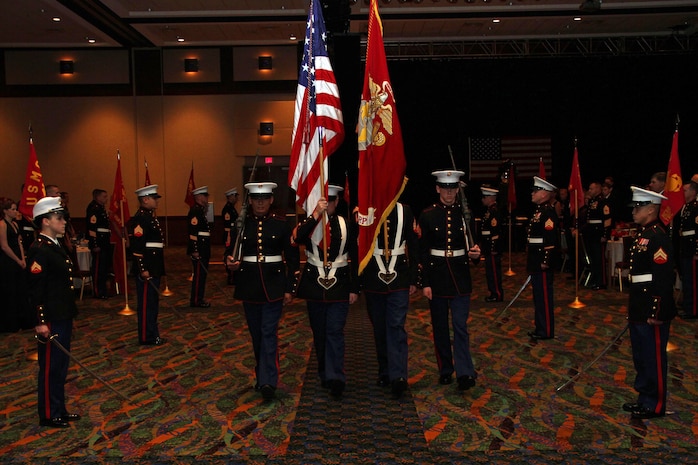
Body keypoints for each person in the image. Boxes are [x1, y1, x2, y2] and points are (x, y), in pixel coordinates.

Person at [225, 181, 299, 400]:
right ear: (250, 201)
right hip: (249, 285)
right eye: (256, 199)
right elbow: (230, 252)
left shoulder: (282, 224)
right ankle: (262, 374)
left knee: (268, 332)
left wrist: (290, 288)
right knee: (257, 335)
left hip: (274, 285)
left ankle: (268, 380)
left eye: (264, 199)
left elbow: (293, 260)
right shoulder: (241, 224)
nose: (260, 203)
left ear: (271, 200)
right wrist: (229, 261)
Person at [294, 185, 359, 398]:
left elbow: (356, 257)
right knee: (320, 333)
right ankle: (324, 371)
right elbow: (298, 238)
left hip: (339, 284)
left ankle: (336, 377)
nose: (328, 204)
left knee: (334, 331)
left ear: (337, 201)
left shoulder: (347, 225)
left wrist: (354, 287)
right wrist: (315, 216)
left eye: (331, 201)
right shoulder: (310, 224)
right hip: (314, 285)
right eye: (325, 200)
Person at [419, 170, 481, 391]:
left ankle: (465, 371)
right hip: (436, 278)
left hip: (460, 277)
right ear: (437, 189)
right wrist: (424, 282)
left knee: (460, 327)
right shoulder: (427, 215)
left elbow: (474, 246)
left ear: (458, 189)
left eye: (452, 188)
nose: (448, 193)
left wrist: (476, 254)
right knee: (440, 328)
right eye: (445, 188)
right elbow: (423, 252)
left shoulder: (466, 214)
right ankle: (446, 369)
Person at [622, 186, 676, 419]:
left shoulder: (658, 236)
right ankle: (644, 397)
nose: (634, 211)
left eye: (638, 207)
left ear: (652, 209)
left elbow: (663, 278)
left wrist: (657, 309)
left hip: (652, 307)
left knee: (653, 356)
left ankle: (655, 404)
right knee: (641, 355)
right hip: (639, 304)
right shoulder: (643, 233)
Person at [27, 196, 80, 428]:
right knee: (50, 367)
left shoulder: (54, 246)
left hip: (62, 315)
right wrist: (40, 322)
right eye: (59, 218)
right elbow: (35, 290)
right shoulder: (39, 250)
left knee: (60, 365)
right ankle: (49, 413)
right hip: (50, 318)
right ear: (45, 221)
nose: (64, 222)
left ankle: (59, 407)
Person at [362, 201, 418, 399]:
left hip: (399, 276)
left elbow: (413, 242)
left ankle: (398, 376)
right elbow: (356, 245)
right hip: (372, 277)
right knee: (380, 327)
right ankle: (385, 370)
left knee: (396, 325)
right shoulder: (363, 207)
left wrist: (414, 277)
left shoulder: (405, 210)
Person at [127, 185, 166, 346]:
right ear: (145, 199)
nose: (156, 201)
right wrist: (143, 268)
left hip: (154, 265)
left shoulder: (150, 217)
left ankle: (152, 333)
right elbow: (137, 248)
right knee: (146, 304)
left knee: (152, 303)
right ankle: (146, 336)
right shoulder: (140, 219)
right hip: (147, 267)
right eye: (154, 198)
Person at [526, 176, 559, 341]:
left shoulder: (547, 213)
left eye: (536, 190)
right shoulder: (539, 211)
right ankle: (540, 327)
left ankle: (545, 330)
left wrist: (546, 260)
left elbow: (550, 240)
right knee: (538, 296)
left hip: (542, 262)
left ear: (545, 193)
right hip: (535, 260)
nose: (532, 193)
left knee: (544, 297)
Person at [0, 198, 30, 332]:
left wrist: (23, 259)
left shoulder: (15, 224)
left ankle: (22, 321)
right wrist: (17, 260)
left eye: (15, 208)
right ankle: (10, 323)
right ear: (5, 211)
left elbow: (19, 243)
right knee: (10, 291)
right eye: (12, 209)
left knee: (21, 290)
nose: (15, 211)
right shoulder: (2, 224)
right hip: (7, 261)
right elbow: (4, 246)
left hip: (18, 259)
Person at [582, 181, 612, 290]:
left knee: (599, 259)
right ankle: (594, 279)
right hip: (591, 233)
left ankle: (601, 281)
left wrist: (604, 234)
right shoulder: (592, 201)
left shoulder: (603, 202)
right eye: (589, 189)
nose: (589, 191)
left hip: (598, 233)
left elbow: (607, 220)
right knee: (593, 258)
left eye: (591, 189)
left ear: (598, 189)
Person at [188, 186, 211, 307]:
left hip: (203, 248)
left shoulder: (200, 210)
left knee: (202, 275)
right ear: (199, 197)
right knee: (198, 276)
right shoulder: (195, 211)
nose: (207, 198)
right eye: (205, 196)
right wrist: (195, 249)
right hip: (199, 249)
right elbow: (193, 233)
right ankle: (196, 300)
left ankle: (199, 298)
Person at [86, 189, 112, 299]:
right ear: (97, 197)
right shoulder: (94, 208)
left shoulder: (101, 208)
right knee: (98, 268)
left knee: (104, 268)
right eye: (104, 196)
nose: (106, 199)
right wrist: (95, 244)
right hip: (99, 242)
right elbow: (92, 229)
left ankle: (103, 290)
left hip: (104, 241)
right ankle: (98, 291)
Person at [677, 181, 698, 319]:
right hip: (684, 247)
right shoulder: (686, 206)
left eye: (685, 190)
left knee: (693, 281)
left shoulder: (696, 207)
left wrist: (697, 251)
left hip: (692, 249)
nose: (682, 193)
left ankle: (693, 310)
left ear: (693, 191)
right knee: (686, 279)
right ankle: (687, 305)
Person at [480, 185, 504, 302]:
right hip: (488, 246)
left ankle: (497, 294)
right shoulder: (489, 211)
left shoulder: (494, 212)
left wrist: (493, 247)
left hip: (492, 247)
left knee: (494, 272)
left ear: (491, 198)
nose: (482, 199)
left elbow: (495, 232)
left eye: (484, 197)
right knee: (490, 271)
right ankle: (493, 292)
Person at [221, 187, 239, 285]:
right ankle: (231, 276)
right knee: (230, 255)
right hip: (229, 235)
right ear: (230, 197)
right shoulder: (227, 209)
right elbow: (229, 225)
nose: (236, 198)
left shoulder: (232, 208)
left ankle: (233, 276)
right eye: (235, 196)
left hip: (232, 234)